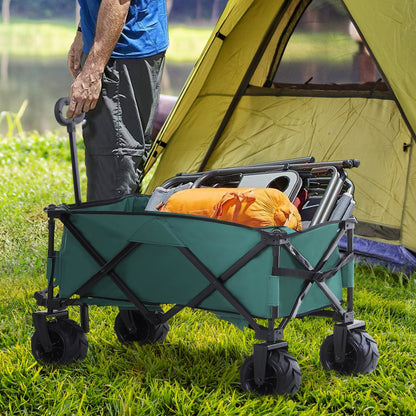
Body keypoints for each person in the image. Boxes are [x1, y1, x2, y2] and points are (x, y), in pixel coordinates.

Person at [66, 0, 168, 201]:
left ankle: (110, 226)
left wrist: (93, 70)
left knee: (116, 155)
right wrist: (82, 31)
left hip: (123, 50)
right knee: (121, 151)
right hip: (123, 43)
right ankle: (117, 220)